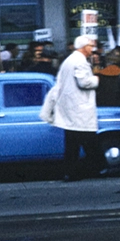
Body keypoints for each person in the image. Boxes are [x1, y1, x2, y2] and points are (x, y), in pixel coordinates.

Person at [45, 35, 101, 182]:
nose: (92, 49)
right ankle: (97, 167)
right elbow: (84, 83)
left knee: (72, 144)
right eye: (90, 46)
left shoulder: (69, 60)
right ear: (83, 47)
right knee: (88, 141)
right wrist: (96, 79)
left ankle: (70, 172)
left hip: (71, 107)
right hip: (80, 108)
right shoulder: (80, 62)